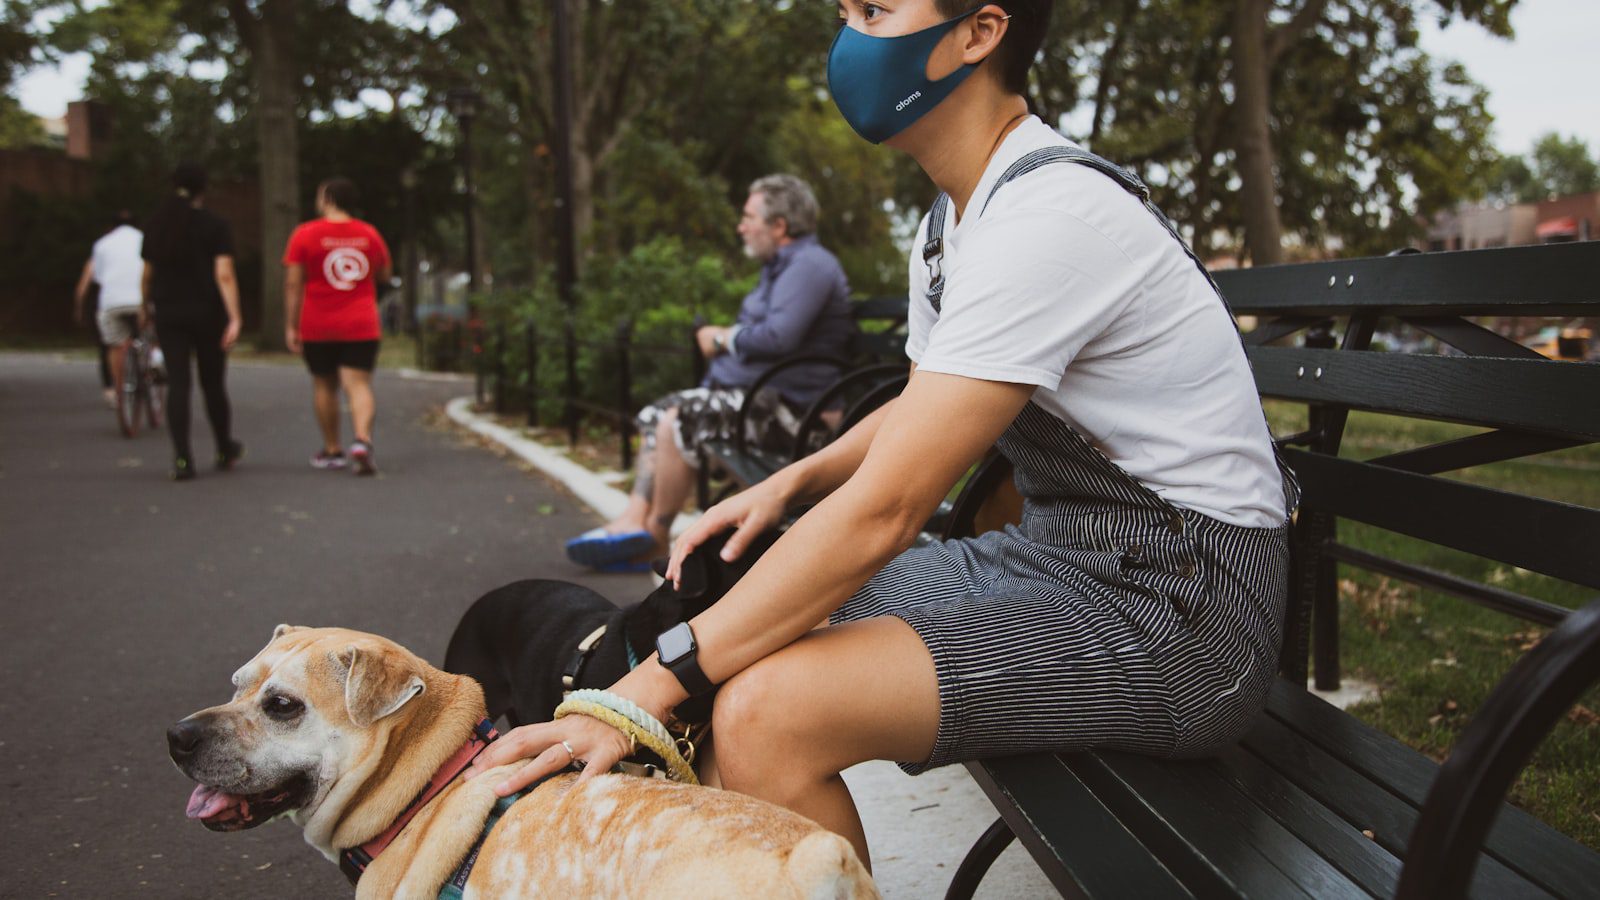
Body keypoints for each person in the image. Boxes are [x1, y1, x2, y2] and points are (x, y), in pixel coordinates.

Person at [466, 0, 1298, 873]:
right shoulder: (952, 223)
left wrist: (645, 688)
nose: (849, 39)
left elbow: (889, 510)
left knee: (763, 709)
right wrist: (786, 484)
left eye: (874, 10)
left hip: (1186, 614)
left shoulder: (1050, 215)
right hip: (1062, 558)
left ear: (977, 35)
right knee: (754, 625)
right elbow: (922, 403)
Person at [564, 174, 852, 571]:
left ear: (780, 226)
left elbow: (779, 338)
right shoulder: (780, 269)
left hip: (798, 417)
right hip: (762, 404)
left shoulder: (810, 266)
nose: (741, 226)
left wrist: (720, 338)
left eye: (749, 217)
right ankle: (642, 524)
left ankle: (652, 534)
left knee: (678, 419)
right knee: (658, 416)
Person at [140, 164, 244, 481]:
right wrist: (235, 317)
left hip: (169, 311)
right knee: (212, 382)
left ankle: (183, 458)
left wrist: (145, 305)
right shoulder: (215, 226)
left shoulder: (156, 225)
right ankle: (224, 446)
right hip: (208, 311)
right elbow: (223, 274)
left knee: (179, 382)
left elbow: (147, 274)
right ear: (204, 189)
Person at [282, 177, 392, 475]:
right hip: (360, 322)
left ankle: (332, 450)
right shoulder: (369, 234)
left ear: (328, 198)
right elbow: (384, 274)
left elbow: (293, 284)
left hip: (318, 322)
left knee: (324, 385)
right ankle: (362, 440)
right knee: (358, 384)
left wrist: (291, 326)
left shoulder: (305, 234)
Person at [74, 210, 144, 409]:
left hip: (111, 302)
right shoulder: (144, 239)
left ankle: (118, 391)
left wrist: (79, 307)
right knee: (148, 330)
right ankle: (153, 362)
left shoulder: (102, 244)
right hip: (140, 300)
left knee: (112, 345)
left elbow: (87, 281)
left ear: (111, 226)